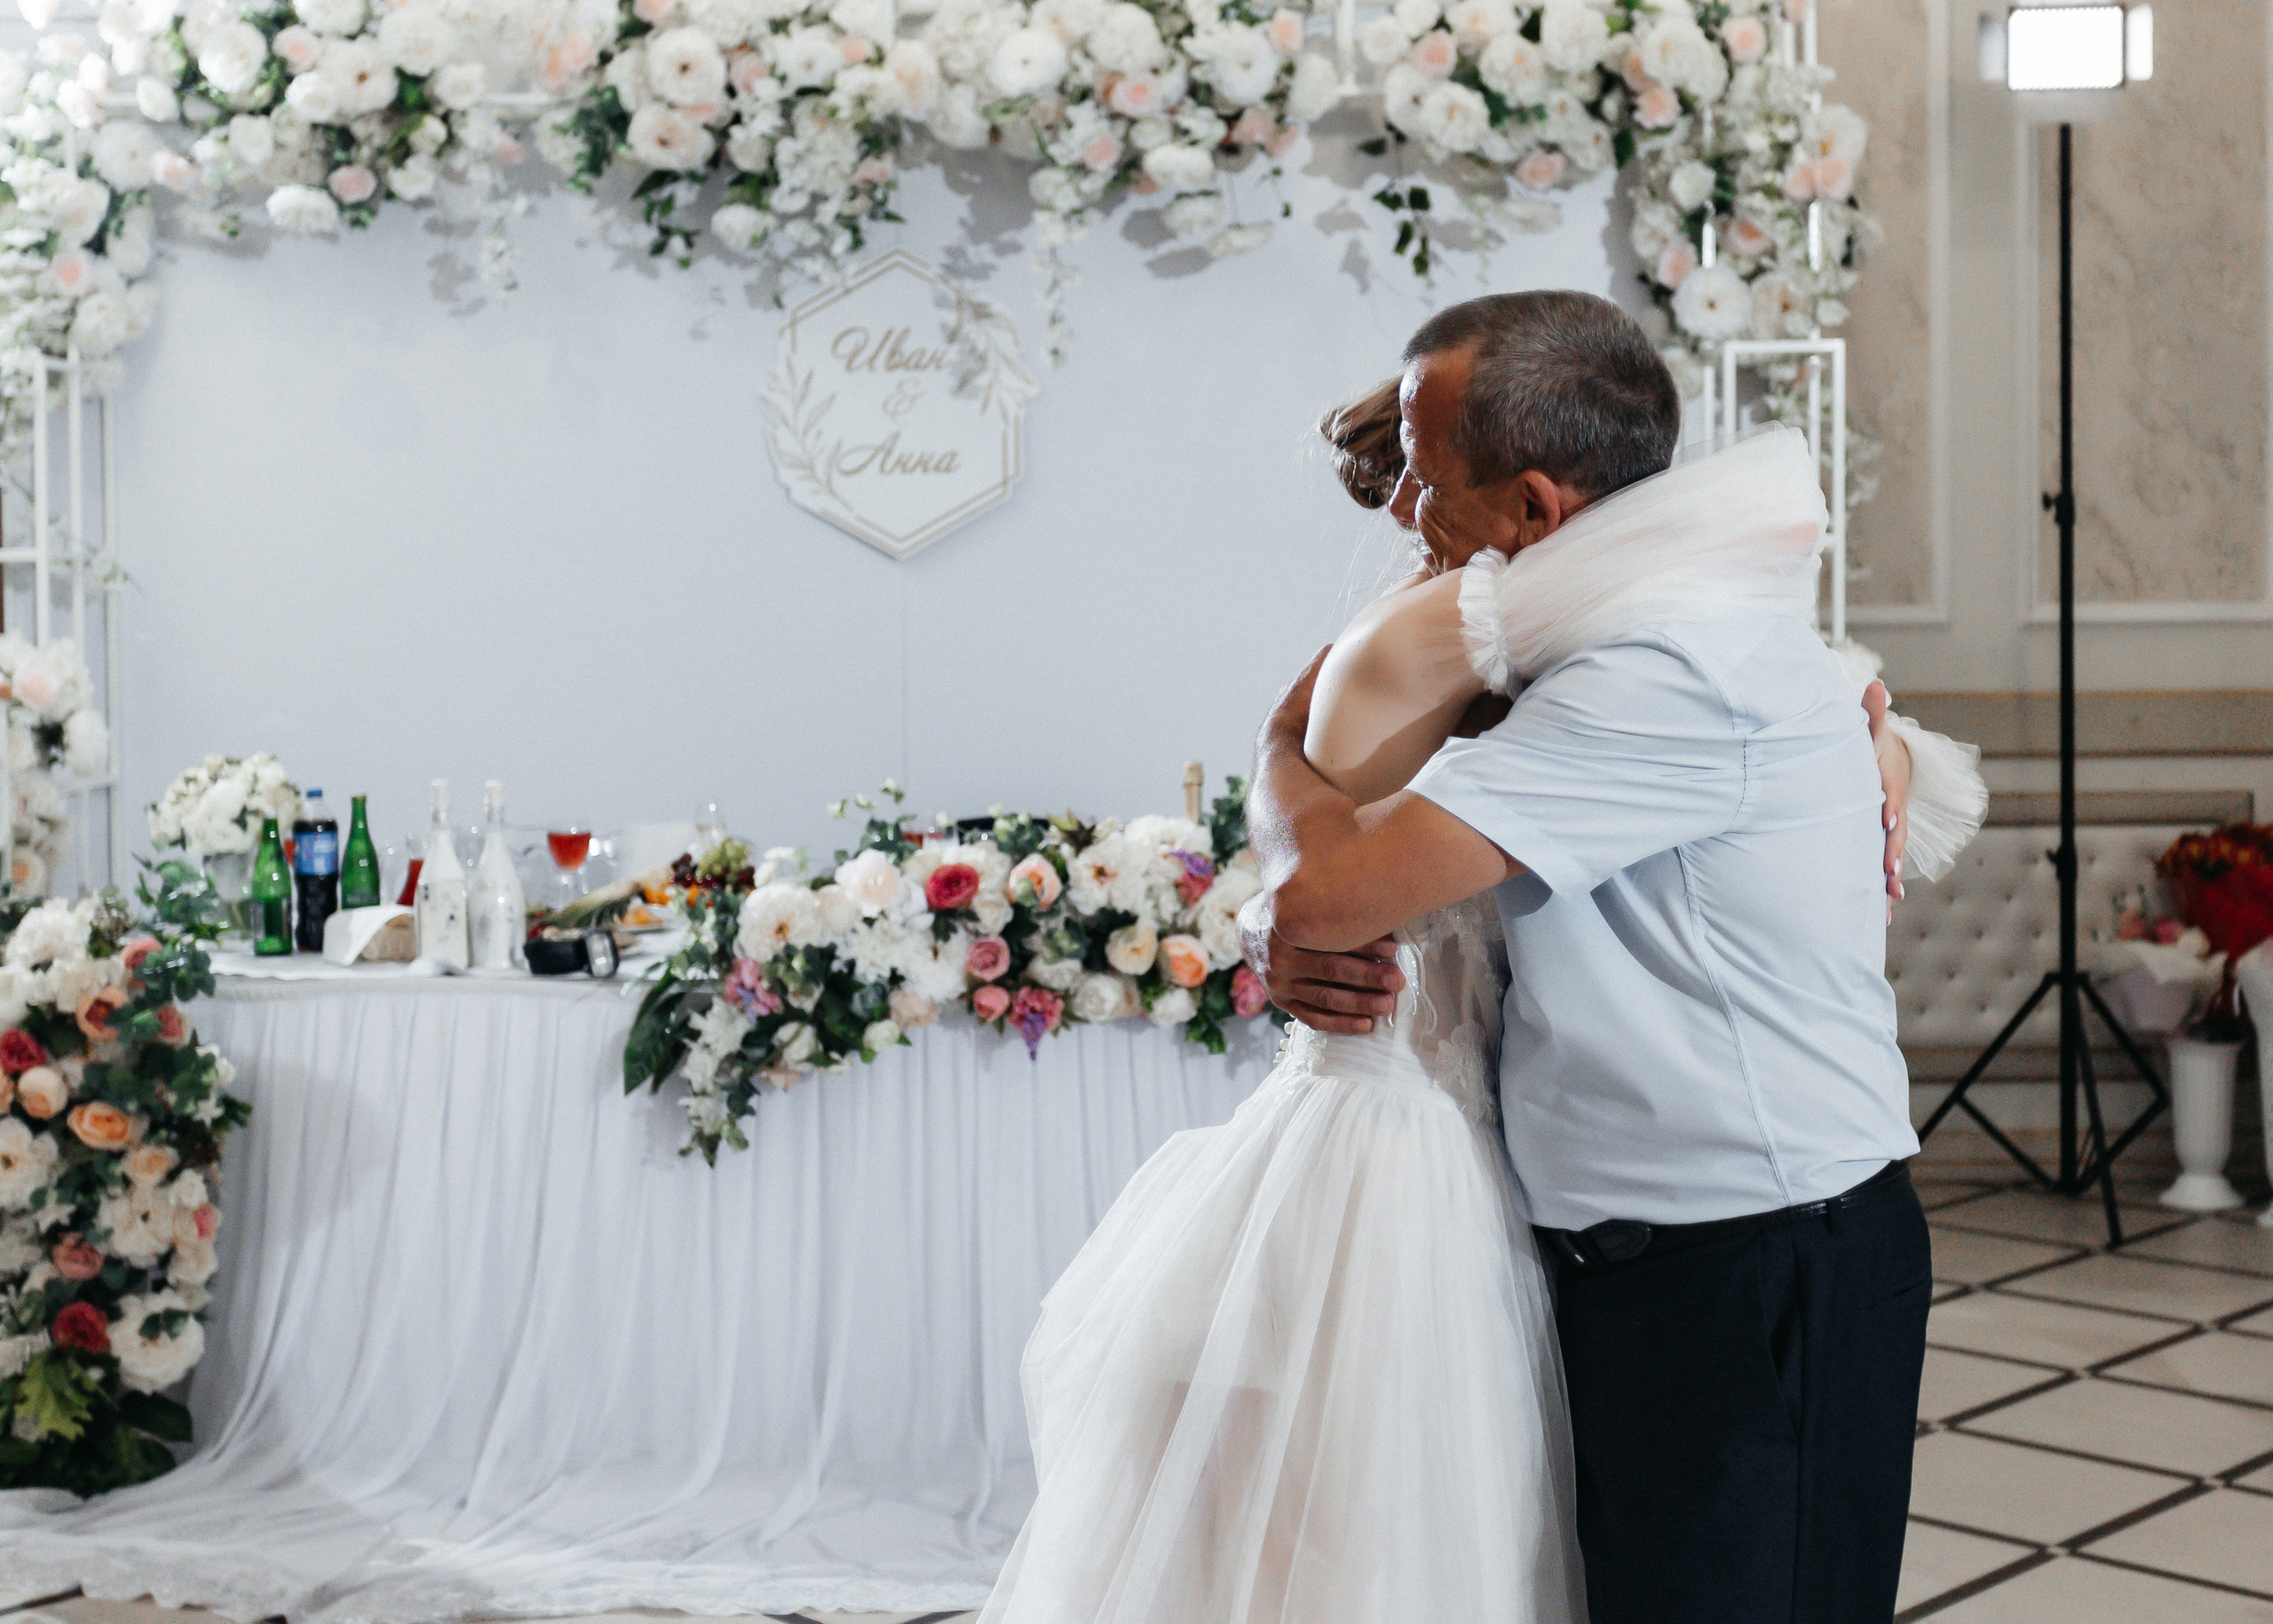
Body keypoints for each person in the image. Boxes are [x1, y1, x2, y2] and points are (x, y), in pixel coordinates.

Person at [978, 290, 1982, 1624]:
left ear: (1534, 512)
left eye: (1427, 472)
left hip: (1754, 1261)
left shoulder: (1668, 675)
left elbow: (1327, 891)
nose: (1401, 509)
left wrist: (1281, 743)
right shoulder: (1591, 644)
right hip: (1619, 1247)